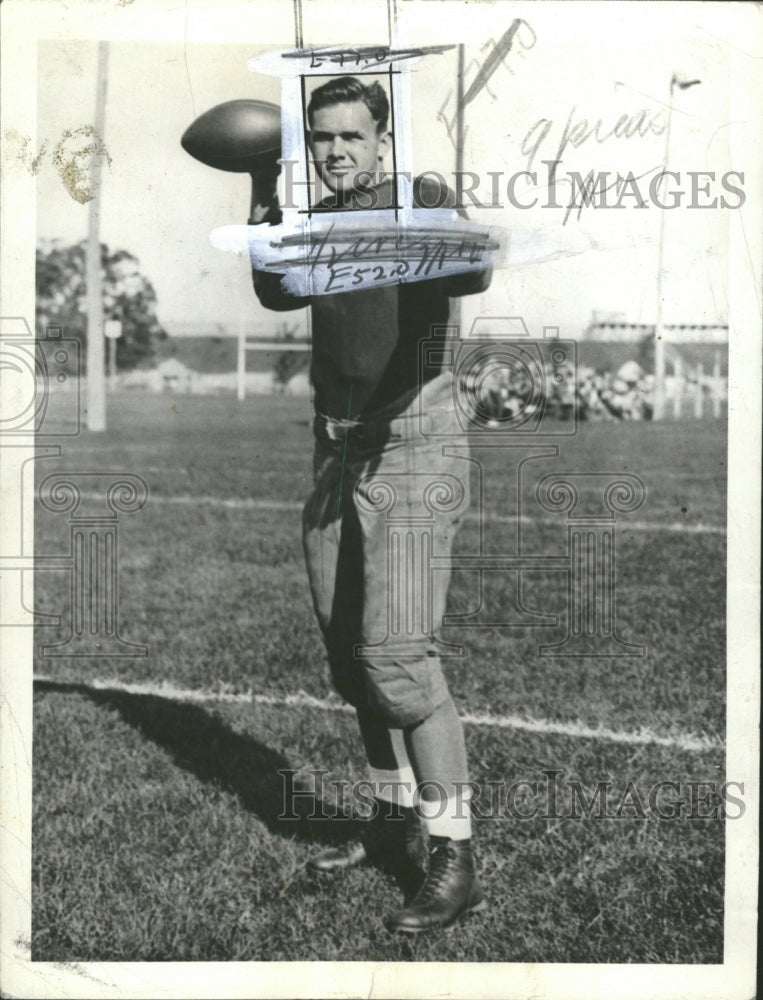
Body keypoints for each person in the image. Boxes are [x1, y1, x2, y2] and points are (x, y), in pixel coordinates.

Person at [248, 75, 492, 935]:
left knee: (397, 660)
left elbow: (477, 269)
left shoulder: (416, 195)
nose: (337, 151)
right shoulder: (314, 217)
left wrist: (430, 215)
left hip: (414, 442)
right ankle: (390, 816)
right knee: (349, 657)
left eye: (352, 136)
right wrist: (258, 193)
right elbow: (277, 291)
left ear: (382, 142)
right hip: (335, 446)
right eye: (323, 139)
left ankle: (452, 852)